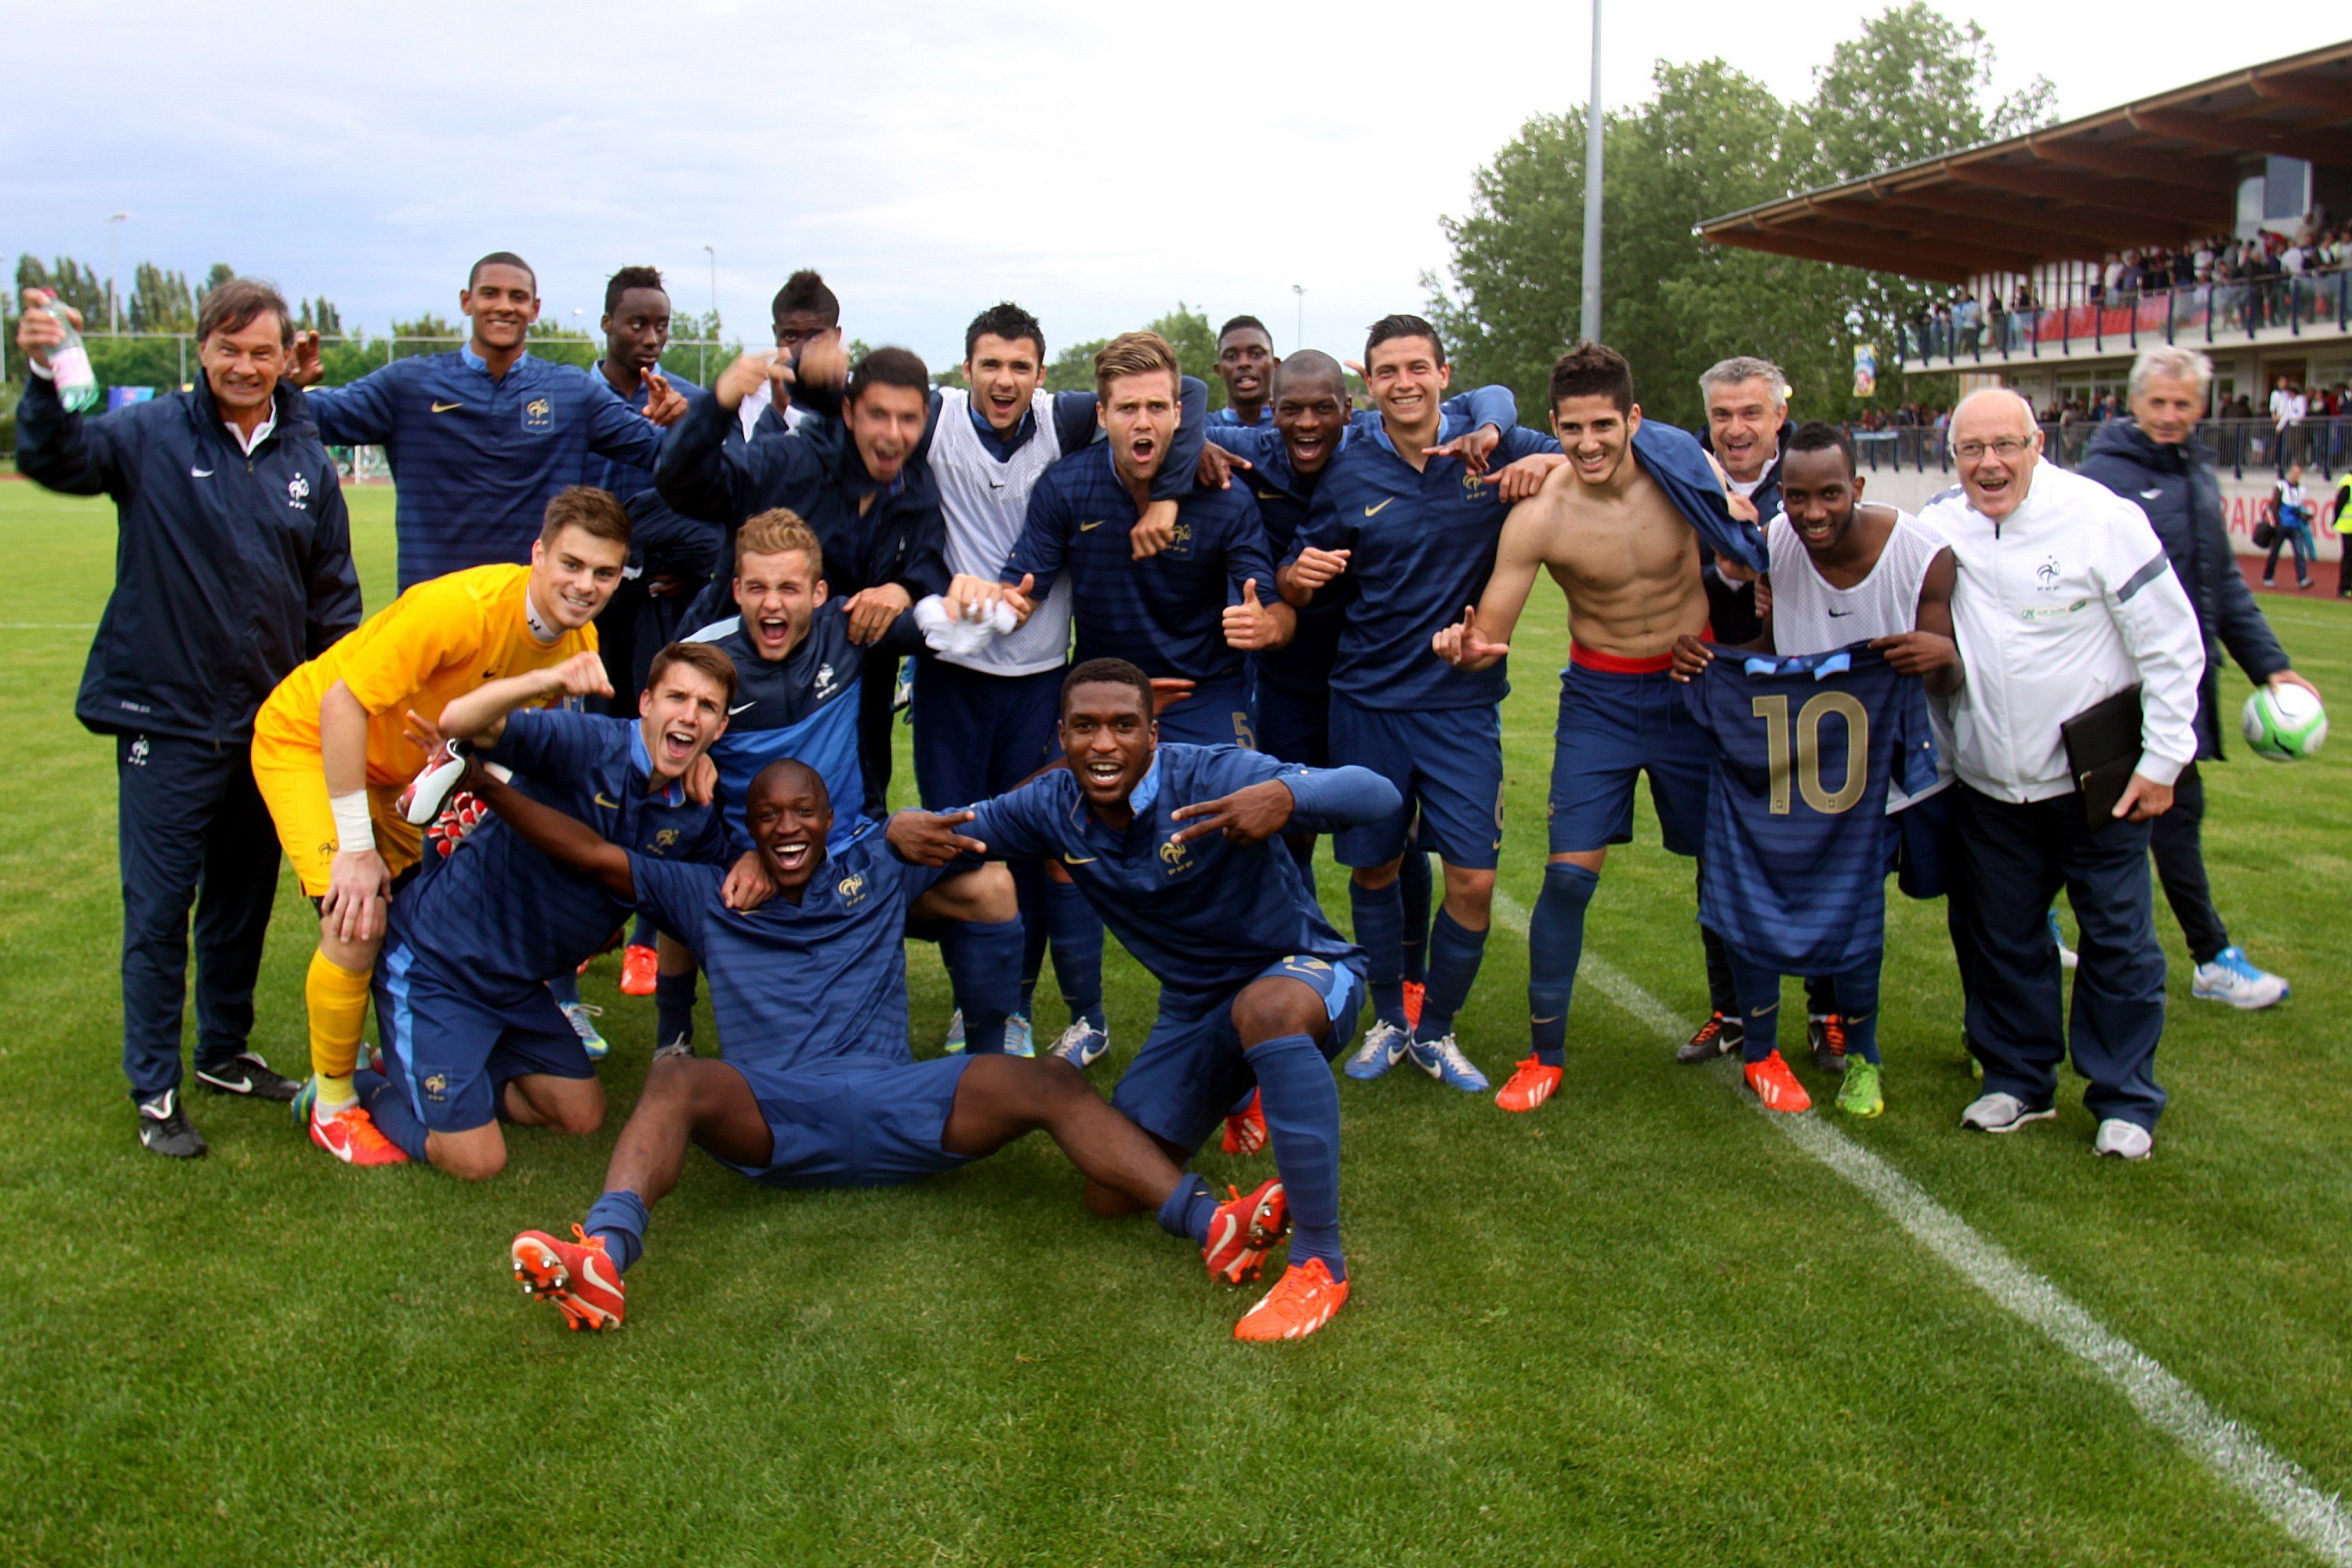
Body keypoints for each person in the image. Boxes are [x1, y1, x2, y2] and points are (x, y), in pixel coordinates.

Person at [481, 753, 1292, 1339]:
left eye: (804, 811)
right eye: (769, 816)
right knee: (676, 1078)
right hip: (775, 1112)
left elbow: (1006, 809)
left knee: (1047, 1077)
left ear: (830, 818)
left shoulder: (879, 864)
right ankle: (604, 1256)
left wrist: (1095, 757)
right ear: (748, 829)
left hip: (903, 1107)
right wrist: (486, 784)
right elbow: (587, 851)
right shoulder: (704, 892)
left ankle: (1210, 1224)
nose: (788, 827)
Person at [889, 658, 1404, 1341]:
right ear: (1062, 736)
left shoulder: (1215, 774)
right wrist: (899, 826)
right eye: (1085, 727)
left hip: (1302, 973)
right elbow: (950, 830)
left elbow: (1377, 794)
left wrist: (1287, 794)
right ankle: (1241, 1103)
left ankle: (1319, 1264)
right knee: (1112, 1194)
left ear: (1153, 734)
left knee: (1266, 1012)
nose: (1104, 744)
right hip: (1196, 1009)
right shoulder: (1050, 805)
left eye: (1124, 726)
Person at [14, 280, 361, 1157]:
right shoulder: (151, 434)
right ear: (202, 350)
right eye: (228, 349)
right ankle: (155, 1085)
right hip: (164, 721)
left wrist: (333, 705)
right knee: (161, 910)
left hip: (267, 731)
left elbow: (332, 599)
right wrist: (47, 374)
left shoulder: (306, 459)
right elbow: (60, 457)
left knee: (241, 906)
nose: (244, 366)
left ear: (285, 358)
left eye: (261, 351)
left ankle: (222, 1052)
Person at [1429, 341, 1766, 1113]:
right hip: (1601, 700)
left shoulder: (1683, 473)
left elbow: (1744, 549)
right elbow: (1492, 635)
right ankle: (1544, 1054)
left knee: (1728, 867)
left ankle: (1761, 1043)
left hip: (1693, 694)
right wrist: (1465, 646)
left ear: (1633, 420)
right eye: (1572, 428)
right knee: (1568, 877)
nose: (1588, 443)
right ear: (1553, 425)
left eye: (1604, 426)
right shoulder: (1540, 514)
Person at [250, 488, 633, 1165]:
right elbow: (341, 705)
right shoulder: (461, 608)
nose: (586, 586)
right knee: (358, 911)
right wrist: (356, 848)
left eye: (604, 573)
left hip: (398, 772)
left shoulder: (580, 644)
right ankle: (332, 1104)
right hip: (311, 742)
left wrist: (468, 784)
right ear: (539, 554)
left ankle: (394, 1056)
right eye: (572, 565)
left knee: (413, 921)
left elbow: (506, 738)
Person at [904, 302, 1205, 1062]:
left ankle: (1014, 1003)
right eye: (990, 364)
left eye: (1020, 366)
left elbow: (1189, 391)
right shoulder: (934, 417)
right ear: (966, 369)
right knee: (956, 840)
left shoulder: (1063, 418)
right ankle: (972, 998)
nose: (1005, 380)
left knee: (1037, 845)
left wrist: (1173, 487)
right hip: (951, 676)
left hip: (1037, 678)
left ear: (1041, 376)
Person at [1279, 314, 1561, 1094]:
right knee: (1375, 868)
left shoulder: (1494, 443)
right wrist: (1296, 577)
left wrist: (1544, 463)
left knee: (1474, 880)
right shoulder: (1348, 466)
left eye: (1417, 367)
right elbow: (1298, 565)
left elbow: (1590, 454)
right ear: (1369, 384)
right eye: (1387, 371)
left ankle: (1436, 1029)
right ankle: (1389, 1019)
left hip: (1462, 706)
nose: (1403, 383)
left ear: (1443, 374)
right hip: (1366, 701)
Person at [1925, 390, 2205, 1160]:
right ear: (1953, 456)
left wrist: (2163, 761)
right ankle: (2018, 1079)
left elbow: (2172, 645)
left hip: (2098, 785)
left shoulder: (2101, 519)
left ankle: (2124, 1098)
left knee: (2117, 941)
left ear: (2037, 445)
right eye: (1971, 449)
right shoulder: (1938, 525)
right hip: (1990, 786)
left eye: (2005, 446)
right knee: (2004, 939)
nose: (1989, 464)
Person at [354, 642, 736, 1178]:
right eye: (677, 698)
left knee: (580, 1115)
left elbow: (722, 889)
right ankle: (360, 1084)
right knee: (476, 1160)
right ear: (646, 702)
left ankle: (438, 1068)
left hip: (516, 986)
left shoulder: (694, 814)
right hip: (437, 963)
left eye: (706, 707)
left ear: (720, 728)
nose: (690, 715)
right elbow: (460, 721)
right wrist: (549, 679)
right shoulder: (586, 744)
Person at [1669, 423, 1962, 1118]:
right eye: (1797, 497)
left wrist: (1942, 657)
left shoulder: (1924, 553)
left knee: (1860, 915)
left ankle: (1866, 1056)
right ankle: (1763, 1046)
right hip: (1797, 771)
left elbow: (1948, 675)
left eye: (1829, 494)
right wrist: (1714, 660)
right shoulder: (1777, 542)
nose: (1812, 512)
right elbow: (1775, 647)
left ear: (1856, 486)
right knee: (1759, 897)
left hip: (1884, 770)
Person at [679, 510, 1020, 1058]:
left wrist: (979, 602)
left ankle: (988, 1061)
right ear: (736, 591)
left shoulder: (847, 630)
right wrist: (721, 824)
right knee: (678, 882)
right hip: (757, 870)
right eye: (758, 588)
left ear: (818, 594)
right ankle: (673, 1040)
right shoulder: (703, 660)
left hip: (853, 852)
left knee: (993, 887)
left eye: (789, 588)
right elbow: (656, 762)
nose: (772, 604)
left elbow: (933, 624)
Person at [2079, 347, 2318, 1008]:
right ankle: (2211, 958)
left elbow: (2223, 587)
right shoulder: (2103, 479)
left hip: (2179, 688)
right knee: (2141, 818)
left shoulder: (2197, 475)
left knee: (2154, 817)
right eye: (2158, 402)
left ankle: (2205, 956)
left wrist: (2273, 667)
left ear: (2201, 407)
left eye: (2183, 403)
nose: (2170, 415)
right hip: (2117, 690)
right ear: (2133, 402)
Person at [655, 343, 947, 816]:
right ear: (849, 413)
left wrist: (904, 589)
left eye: (908, 419)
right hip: (737, 681)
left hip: (848, 700)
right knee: (720, 819)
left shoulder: (916, 487)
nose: (893, 434)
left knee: (845, 821)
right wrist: (718, 403)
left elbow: (931, 565)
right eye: (878, 415)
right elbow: (682, 486)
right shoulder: (789, 461)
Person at [287, 252, 677, 589]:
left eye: (517, 297)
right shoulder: (410, 385)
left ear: (535, 309)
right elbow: (309, 417)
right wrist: (289, 387)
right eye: (490, 294)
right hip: (434, 612)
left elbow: (665, 454)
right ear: (466, 301)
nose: (504, 306)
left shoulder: (571, 392)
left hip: (533, 613)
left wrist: (682, 420)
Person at [991, 332, 1293, 752]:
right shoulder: (1065, 486)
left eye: (1156, 407)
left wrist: (1268, 626)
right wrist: (990, 602)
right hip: (1103, 691)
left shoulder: (1225, 496)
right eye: (1127, 408)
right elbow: (1020, 592)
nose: (1143, 423)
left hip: (1202, 692)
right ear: (1102, 414)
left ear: (1179, 414)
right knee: (1057, 793)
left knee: (1245, 790)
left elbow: (1276, 611)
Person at [580, 263, 719, 1021]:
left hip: (656, 609)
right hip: (587, 611)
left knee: (655, 762)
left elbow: (717, 512)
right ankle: (582, 923)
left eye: (662, 325)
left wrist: (683, 570)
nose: (651, 337)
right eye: (637, 323)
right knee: (584, 765)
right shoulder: (578, 401)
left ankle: (645, 936)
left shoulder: (684, 402)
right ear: (607, 323)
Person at [736, 270, 839, 440]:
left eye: (814, 337)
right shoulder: (749, 401)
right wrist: (777, 408)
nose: (802, 349)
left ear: (835, 338)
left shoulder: (861, 398)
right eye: (791, 337)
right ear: (776, 335)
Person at [1209, 315, 1278, 428]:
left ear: (1275, 365)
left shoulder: (1294, 429)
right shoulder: (1201, 431)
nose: (1244, 363)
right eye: (1231, 357)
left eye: (1256, 354)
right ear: (1219, 370)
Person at [2264, 464, 2317, 590]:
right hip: (2283, 525)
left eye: (2298, 473)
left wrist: (2304, 515)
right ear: (2290, 473)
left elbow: (2298, 508)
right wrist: (2278, 522)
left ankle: (2302, 579)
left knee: (2299, 553)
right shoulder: (2281, 486)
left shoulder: (2301, 490)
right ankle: (2268, 577)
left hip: (2295, 525)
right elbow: (2275, 505)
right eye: (2294, 472)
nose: (2296, 475)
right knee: (2275, 552)